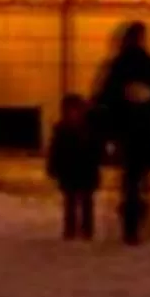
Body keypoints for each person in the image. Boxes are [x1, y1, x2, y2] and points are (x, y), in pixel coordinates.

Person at [91, 21, 150, 246]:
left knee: (130, 179)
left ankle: (131, 224)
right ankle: (142, 221)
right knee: (143, 178)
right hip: (146, 128)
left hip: (125, 130)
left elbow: (104, 97)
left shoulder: (117, 65)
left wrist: (109, 128)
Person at [45, 93, 102, 241]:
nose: (73, 113)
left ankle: (86, 230)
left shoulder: (90, 130)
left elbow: (96, 149)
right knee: (70, 202)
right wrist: (53, 167)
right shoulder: (62, 130)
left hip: (86, 170)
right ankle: (70, 229)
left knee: (86, 202)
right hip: (69, 170)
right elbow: (56, 151)